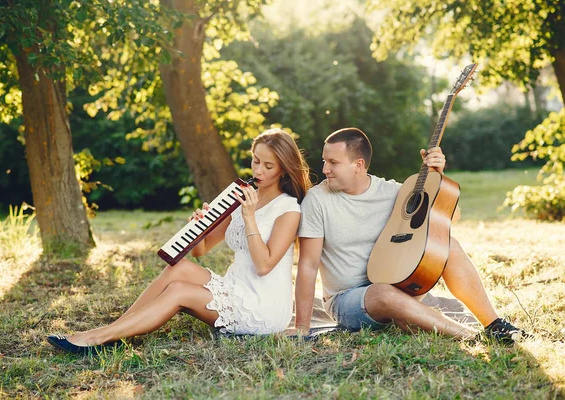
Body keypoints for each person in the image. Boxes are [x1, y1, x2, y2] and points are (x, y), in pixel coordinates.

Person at [47, 128, 312, 355]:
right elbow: (201, 249)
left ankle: (100, 338)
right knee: (179, 268)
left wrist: (250, 217)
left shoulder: (288, 208)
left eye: (268, 166)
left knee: (179, 291)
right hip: (237, 286)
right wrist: (199, 225)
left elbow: (264, 265)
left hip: (263, 306)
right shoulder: (242, 197)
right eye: (256, 161)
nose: (259, 170)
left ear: (283, 170)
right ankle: (113, 330)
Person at [290, 127, 527, 344]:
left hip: (400, 284)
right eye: (324, 161)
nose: (324, 169)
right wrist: (302, 328)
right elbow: (308, 266)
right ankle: (470, 337)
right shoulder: (317, 200)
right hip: (348, 301)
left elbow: (449, 219)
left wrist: (437, 177)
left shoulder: (393, 191)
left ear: (358, 165)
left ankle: (494, 324)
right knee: (382, 292)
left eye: (333, 162)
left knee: (447, 245)